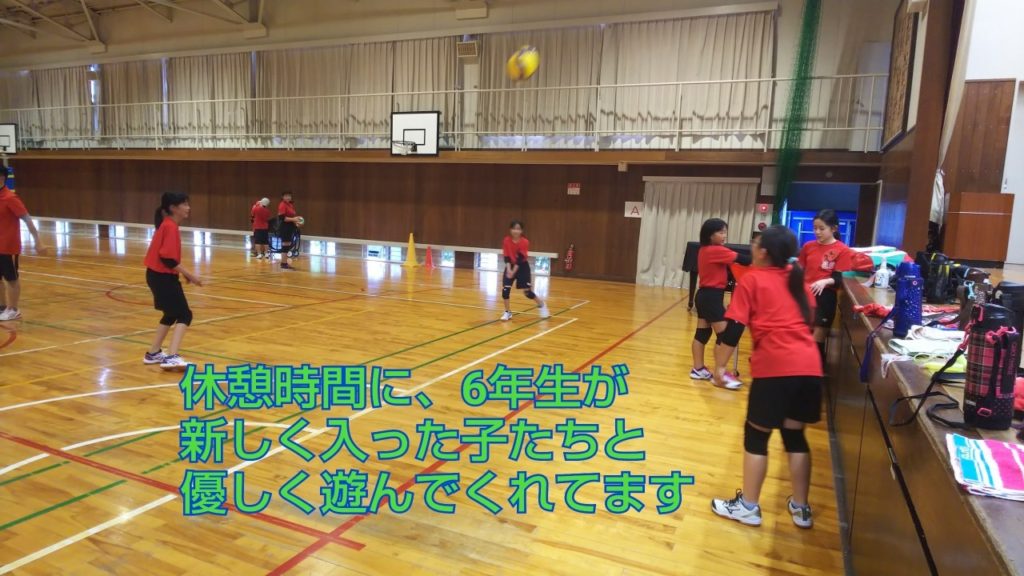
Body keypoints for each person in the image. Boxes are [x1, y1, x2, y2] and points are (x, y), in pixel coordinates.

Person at [710, 225, 822, 529]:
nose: (752, 248)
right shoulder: (800, 280)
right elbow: (810, 323)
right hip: (809, 368)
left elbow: (733, 329)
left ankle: (748, 507)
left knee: (757, 436)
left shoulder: (752, 279)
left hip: (775, 368)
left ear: (763, 252)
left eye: (756, 244)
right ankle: (801, 508)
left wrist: (719, 367)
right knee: (794, 437)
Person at [143, 192, 203, 371]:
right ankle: (171, 356)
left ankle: (153, 353)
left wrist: (181, 273)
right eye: (184, 204)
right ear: (173, 208)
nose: (188, 207)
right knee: (185, 315)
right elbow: (167, 258)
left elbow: (168, 259)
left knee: (170, 314)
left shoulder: (168, 225)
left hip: (157, 276)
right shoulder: (170, 227)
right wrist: (190, 275)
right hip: (162, 277)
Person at [691, 218, 748, 390]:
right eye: (721, 232)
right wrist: (766, 256)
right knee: (725, 336)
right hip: (711, 297)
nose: (724, 235)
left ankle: (698, 369)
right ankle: (720, 375)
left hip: (704, 295)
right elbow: (744, 259)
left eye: (725, 232)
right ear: (710, 235)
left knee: (702, 333)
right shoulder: (716, 250)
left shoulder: (704, 249)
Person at [798, 209, 852, 361]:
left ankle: (816, 372)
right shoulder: (808, 246)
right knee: (802, 338)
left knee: (817, 340)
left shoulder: (842, 250)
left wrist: (825, 281)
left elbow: (840, 278)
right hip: (805, 295)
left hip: (825, 298)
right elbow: (800, 270)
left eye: (821, 228)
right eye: (815, 228)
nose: (817, 232)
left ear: (834, 228)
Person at [0, 172, 47, 321]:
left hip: (8, 247)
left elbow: (27, 220)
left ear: (1, 177)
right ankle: (2, 308)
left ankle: (14, 309)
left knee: (11, 279)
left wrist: (38, 241)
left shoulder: (10, 198)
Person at [500, 220, 551, 321]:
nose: (516, 231)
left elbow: (519, 259)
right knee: (505, 290)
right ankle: (507, 312)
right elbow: (506, 256)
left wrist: (513, 272)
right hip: (510, 265)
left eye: (518, 229)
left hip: (522, 267)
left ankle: (542, 305)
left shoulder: (525, 242)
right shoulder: (506, 240)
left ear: (521, 231)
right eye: (514, 228)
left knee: (527, 293)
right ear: (510, 230)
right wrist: (509, 269)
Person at [277, 191, 302, 269]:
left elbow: (292, 217)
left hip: (290, 227)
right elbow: (282, 218)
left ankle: (284, 263)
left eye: (289, 196)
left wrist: (296, 222)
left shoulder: (290, 205)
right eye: (286, 196)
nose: (288, 197)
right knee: (285, 245)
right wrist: (294, 219)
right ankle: (283, 263)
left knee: (287, 245)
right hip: (285, 227)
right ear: (282, 197)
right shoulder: (282, 205)